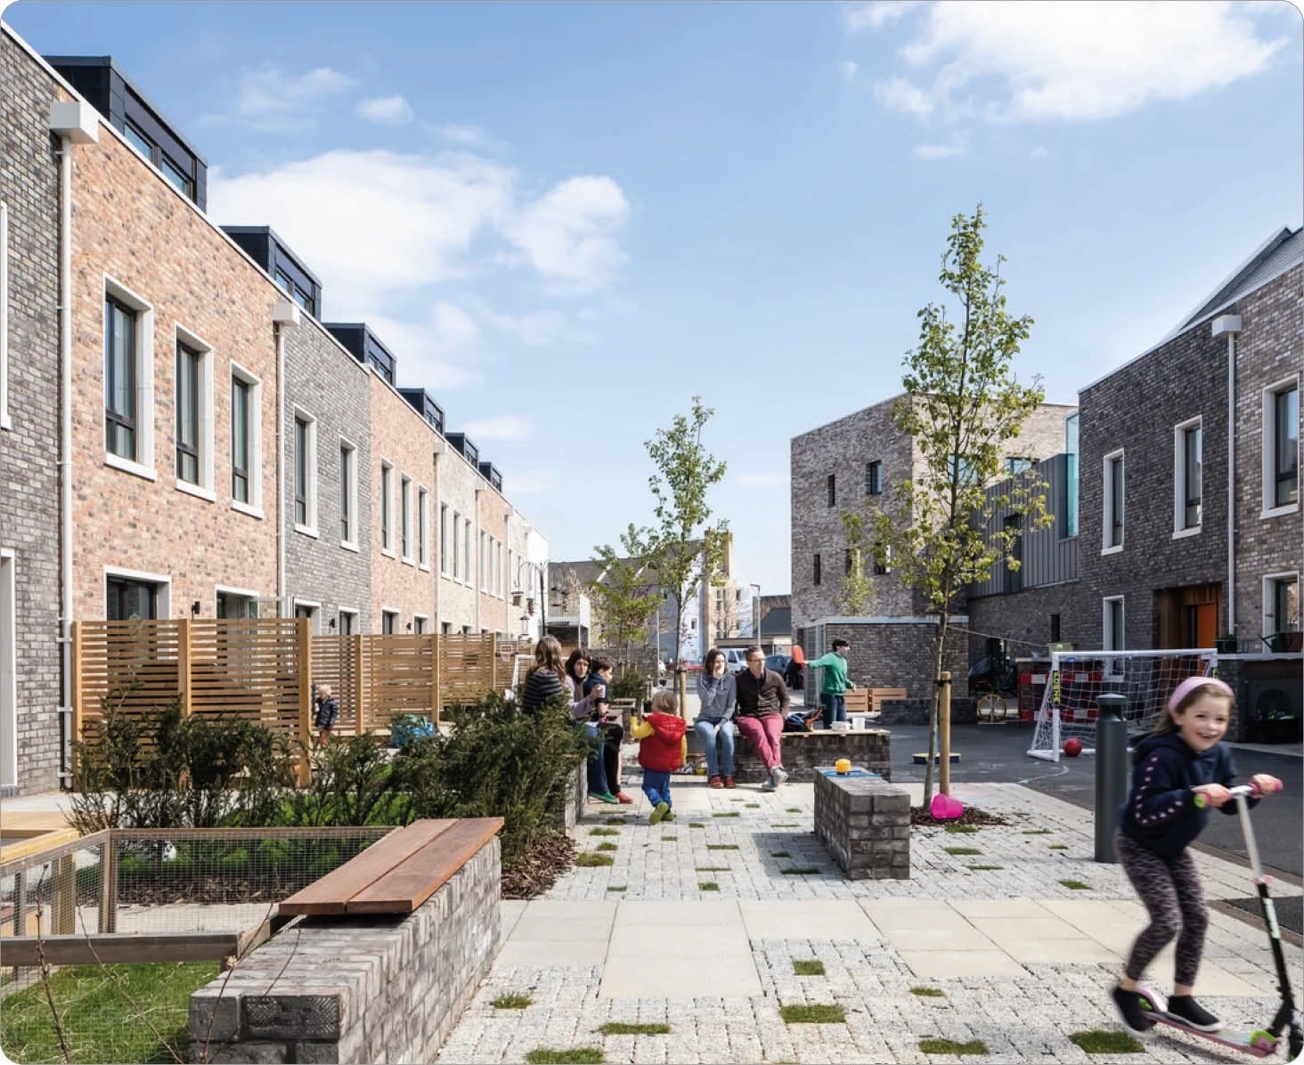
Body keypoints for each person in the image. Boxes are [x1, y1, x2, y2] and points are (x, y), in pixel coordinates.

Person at [1110, 676, 1284, 1036]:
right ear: (1179, 715)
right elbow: (1143, 812)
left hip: (1173, 848)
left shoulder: (1218, 753)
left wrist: (1254, 790)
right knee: (1166, 922)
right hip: (1140, 844)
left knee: (1198, 917)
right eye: (1201, 717)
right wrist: (1192, 795)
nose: (1211, 727)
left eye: (1219, 720)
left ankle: (1182, 998)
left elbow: (1231, 802)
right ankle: (1126, 990)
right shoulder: (1161, 756)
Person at [733, 645, 791, 790]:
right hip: (748, 716)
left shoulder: (775, 677)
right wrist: (736, 718)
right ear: (748, 662)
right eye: (757, 660)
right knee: (759, 734)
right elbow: (732, 702)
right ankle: (776, 770)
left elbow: (785, 699)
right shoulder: (739, 680)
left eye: (763, 659)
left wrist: (782, 716)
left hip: (772, 714)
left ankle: (773, 775)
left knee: (772, 734)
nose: (761, 663)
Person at [630, 688, 687, 824]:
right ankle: (667, 813)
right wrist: (682, 759)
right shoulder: (678, 724)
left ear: (658, 705)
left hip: (653, 762)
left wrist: (633, 721)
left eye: (653, 703)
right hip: (668, 764)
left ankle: (659, 804)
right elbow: (683, 743)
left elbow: (637, 733)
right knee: (664, 787)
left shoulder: (653, 722)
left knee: (649, 786)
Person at [583, 655, 633, 804]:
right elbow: (601, 710)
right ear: (601, 671)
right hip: (592, 724)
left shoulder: (587, 682)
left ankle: (614, 786)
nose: (611, 677)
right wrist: (606, 707)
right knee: (615, 733)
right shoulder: (601, 684)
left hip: (587, 723)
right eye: (610, 672)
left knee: (612, 739)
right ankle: (614, 787)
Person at [696, 648, 738, 788]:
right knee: (710, 734)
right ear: (709, 663)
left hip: (724, 719)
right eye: (716, 662)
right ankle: (714, 775)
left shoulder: (731, 679)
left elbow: (731, 706)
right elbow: (706, 702)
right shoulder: (701, 678)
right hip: (705, 719)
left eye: (722, 661)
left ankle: (728, 775)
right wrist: (714, 680)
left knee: (726, 734)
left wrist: (720, 724)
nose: (720, 665)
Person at [806, 639, 855, 730]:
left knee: (843, 723)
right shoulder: (830, 657)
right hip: (829, 696)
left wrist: (850, 684)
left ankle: (840, 743)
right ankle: (828, 743)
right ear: (838, 647)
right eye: (846, 646)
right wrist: (807, 663)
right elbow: (818, 662)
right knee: (830, 724)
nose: (848, 649)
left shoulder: (844, 661)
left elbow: (842, 677)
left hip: (840, 695)